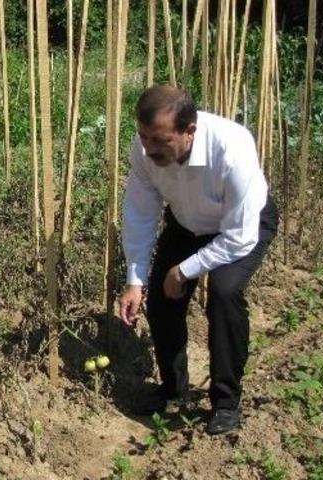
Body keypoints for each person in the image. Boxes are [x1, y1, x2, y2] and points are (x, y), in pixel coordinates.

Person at [117, 85, 278, 435]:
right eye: (144, 137)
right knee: (160, 300)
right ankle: (174, 391)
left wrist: (186, 269)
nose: (148, 148)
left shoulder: (232, 148)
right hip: (187, 222)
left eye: (159, 140)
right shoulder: (144, 150)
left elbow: (240, 236)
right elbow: (140, 213)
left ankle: (225, 402)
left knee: (223, 293)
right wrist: (135, 279)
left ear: (189, 131)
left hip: (240, 225)